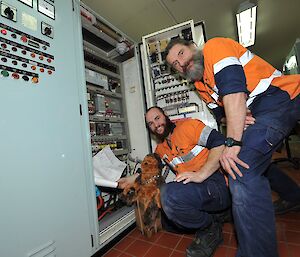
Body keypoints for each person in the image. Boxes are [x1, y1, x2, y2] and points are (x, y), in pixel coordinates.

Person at [165, 37, 300, 257]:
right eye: (175, 64)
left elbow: (234, 92)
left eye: (181, 54)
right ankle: (294, 197)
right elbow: (223, 116)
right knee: (255, 159)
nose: (181, 63)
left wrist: (233, 142)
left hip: (282, 97)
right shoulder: (201, 86)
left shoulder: (214, 47)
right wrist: (238, 117)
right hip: (260, 113)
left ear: (192, 46)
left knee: (240, 167)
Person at [119, 106, 231, 257]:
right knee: (167, 220)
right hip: (197, 189)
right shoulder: (162, 148)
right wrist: (130, 179)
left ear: (165, 116)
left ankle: (209, 227)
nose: (156, 124)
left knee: (168, 196)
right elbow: (150, 169)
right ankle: (216, 217)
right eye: (150, 123)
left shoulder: (188, 126)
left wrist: (201, 174)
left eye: (157, 118)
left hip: (216, 184)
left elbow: (220, 141)